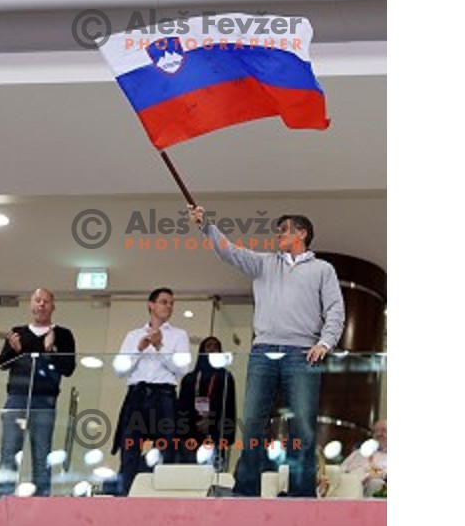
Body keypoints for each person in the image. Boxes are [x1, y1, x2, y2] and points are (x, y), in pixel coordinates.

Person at [189, 206, 345, 497]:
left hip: (302, 354)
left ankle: (301, 496)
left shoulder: (323, 270)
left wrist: (325, 342)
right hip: (262, 353)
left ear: (302, 233)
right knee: (252, 424)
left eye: (284, 229)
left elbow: (335, 309)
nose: (278, 234)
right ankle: (246, 491)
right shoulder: (263, 263)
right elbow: (230, 251)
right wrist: (207, 226)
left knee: (303, 430)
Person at [0, 288, 76, 497]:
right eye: (37, 300)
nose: (41, 304)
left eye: (46, 301)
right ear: (31, 305)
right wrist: (14, 350)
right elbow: (2, 364)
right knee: (8, 454)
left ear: (53, 306)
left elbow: (68, 368)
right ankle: (3, 504)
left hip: (45, 402)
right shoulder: (18, 332)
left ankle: (40, 506)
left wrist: (51, 351)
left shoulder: (63, 335)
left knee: (42, 457)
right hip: (16, 400)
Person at [111, 287, 191, 495]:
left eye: (171, 303)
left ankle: (161, 498)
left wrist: (160, 346)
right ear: (151, 305)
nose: (169, 306)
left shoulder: (179, 335)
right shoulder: (133, 335)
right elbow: (119, 369)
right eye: (164, 302)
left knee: (166, 449)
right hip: (136, 394)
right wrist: (138, 349)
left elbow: (183, 368)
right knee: (129, 448)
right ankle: (125, 496)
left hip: (164, 395)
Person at [177, 336, 237, 470]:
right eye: (208, 346)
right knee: (189, 473)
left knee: (213, 474)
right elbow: (182, 409)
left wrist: (211, 421)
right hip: (191, 434)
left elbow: (229, 408)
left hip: (216, 432)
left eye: (216, 346)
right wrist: (194, 422)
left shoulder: (226, 377)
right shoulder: (189, 379)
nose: (212, 349)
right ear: (202, 350)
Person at [340, 419, 387, 497]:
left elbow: (384, 475)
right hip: (347, 485)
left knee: (375, 483)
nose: (379, 434)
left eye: (383, 431)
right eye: (376, 431)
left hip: (368, 486)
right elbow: (341, 469)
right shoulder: (358, 453)